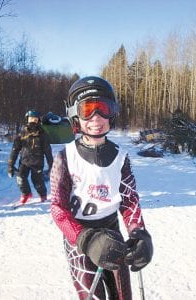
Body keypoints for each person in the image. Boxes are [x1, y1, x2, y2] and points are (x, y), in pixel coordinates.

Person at [50, 76, 153, 300]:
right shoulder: (65, 157)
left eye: (103, 109)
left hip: (111, 230)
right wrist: (85, 239)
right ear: (75, 115)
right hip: (80, 236)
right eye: (88, 109)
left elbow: (129, 201)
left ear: (112, 113)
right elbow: (58, 208)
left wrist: (139, 234)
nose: (96, 118)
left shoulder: (120, 158)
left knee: (122, 295)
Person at [8, 110, 53, 204]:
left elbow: (48, 151)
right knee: (20, 177)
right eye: (31, 119)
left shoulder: (42, 134)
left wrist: (51, 165)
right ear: (27, 120)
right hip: (24, 161)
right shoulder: (22, 134)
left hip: (37, 162)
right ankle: (26, 194)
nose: (33, 121)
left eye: (35, 119)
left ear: (38, 121)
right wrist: (10, 165)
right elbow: (14, 150)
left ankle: (43, 195)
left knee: (37, 181)